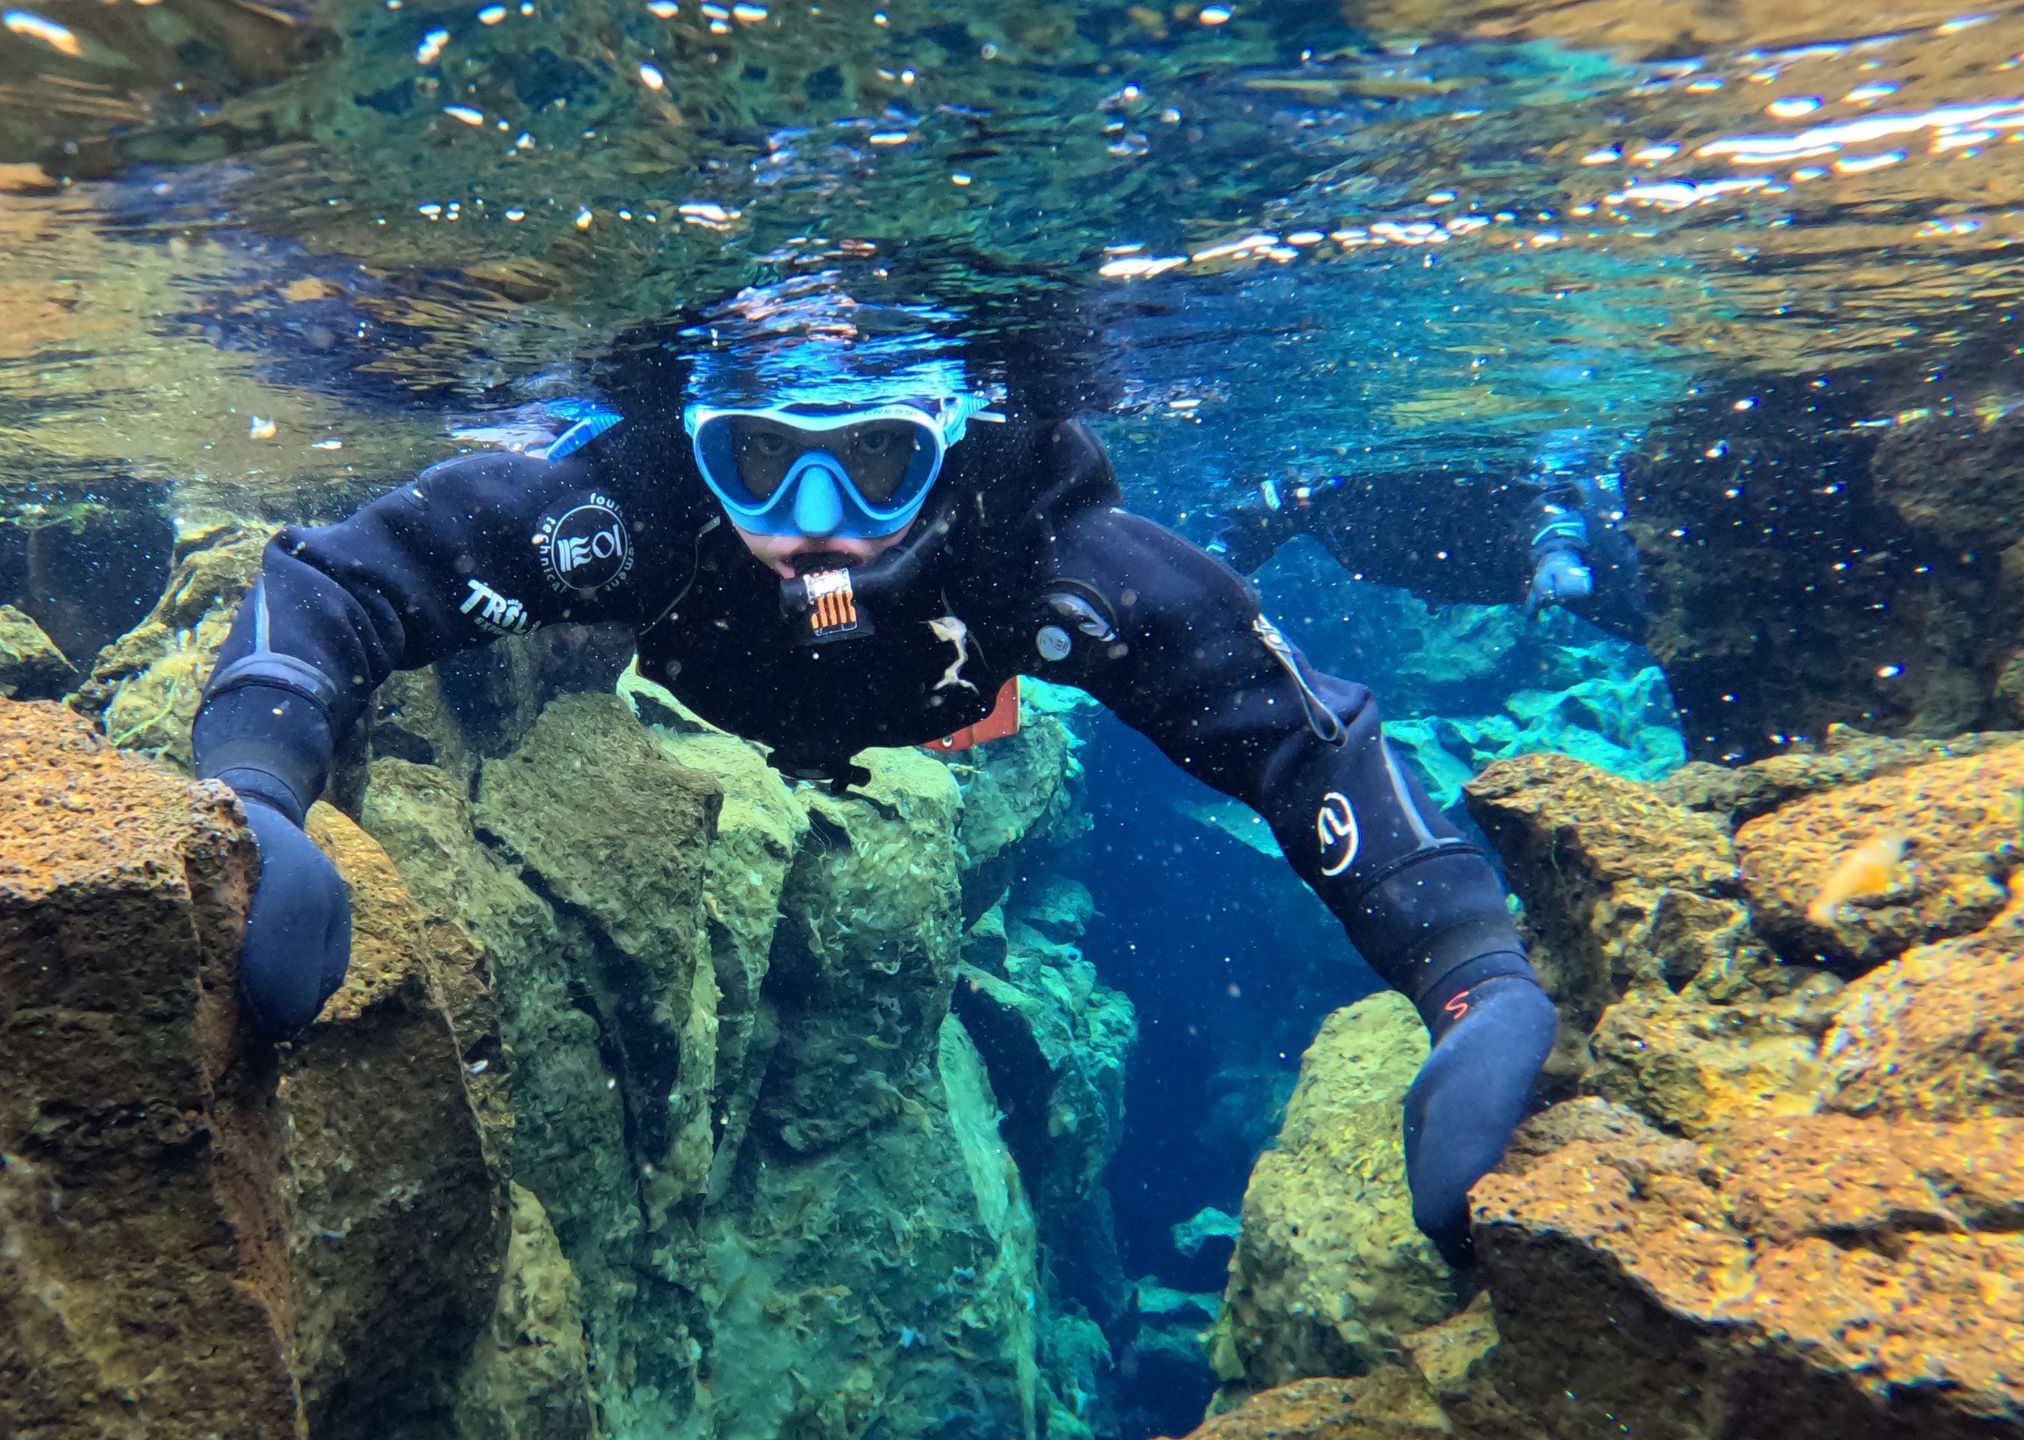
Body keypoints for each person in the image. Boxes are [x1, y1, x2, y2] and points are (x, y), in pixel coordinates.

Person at [188, 316, 1558, 1259]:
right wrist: (255, 790)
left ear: (952, 441)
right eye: (761, 463)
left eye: (881, 460)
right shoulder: (632, 506)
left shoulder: (1037, 549)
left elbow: (1298, 735)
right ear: (698, 446)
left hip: (950, 699)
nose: (818, 522)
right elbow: (335, 583)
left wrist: (1470, 972)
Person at [1199, 434, 1646, 642]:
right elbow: (1254, 524)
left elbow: (1543, 495)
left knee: (1663, 626)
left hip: (1572, 559)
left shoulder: (1453, 472)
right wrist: (1201, 582)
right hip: (1497, 577)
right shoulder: (1316, 495)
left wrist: (1558, 556)